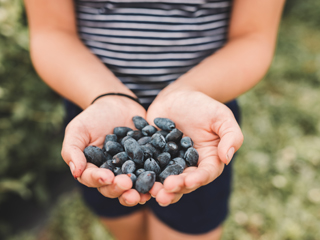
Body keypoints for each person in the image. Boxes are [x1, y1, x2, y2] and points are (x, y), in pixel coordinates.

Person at [24, 0, 285, 239]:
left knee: (188, 223)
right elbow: (52, 32)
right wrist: (105, 95)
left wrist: (188, 90)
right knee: (121, 214)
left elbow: (253, 37)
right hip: (94, 107)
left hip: (199, 121)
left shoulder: (193, 134)